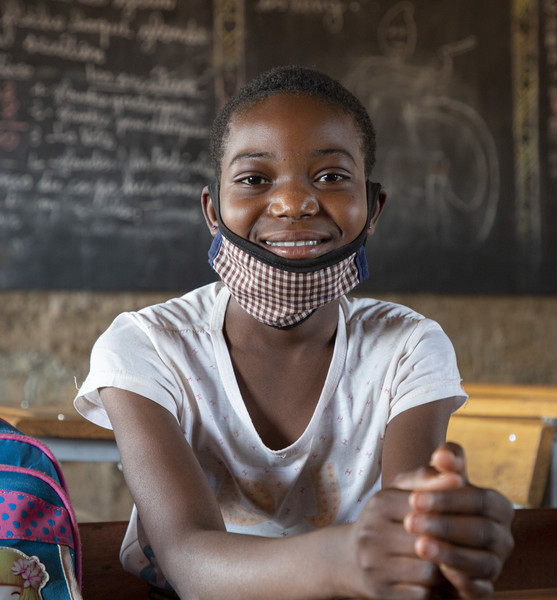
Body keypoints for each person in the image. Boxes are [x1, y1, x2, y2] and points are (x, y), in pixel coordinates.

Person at [74, 65, 514, 600]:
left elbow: (408, 532)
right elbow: (188, 561)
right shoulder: (147, 348)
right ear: (213, 212)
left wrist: (442, 531)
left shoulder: (408, 348)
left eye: (330, 176)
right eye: (255, 179)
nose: (293, 203)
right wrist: (344, 560)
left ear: (373, 209)